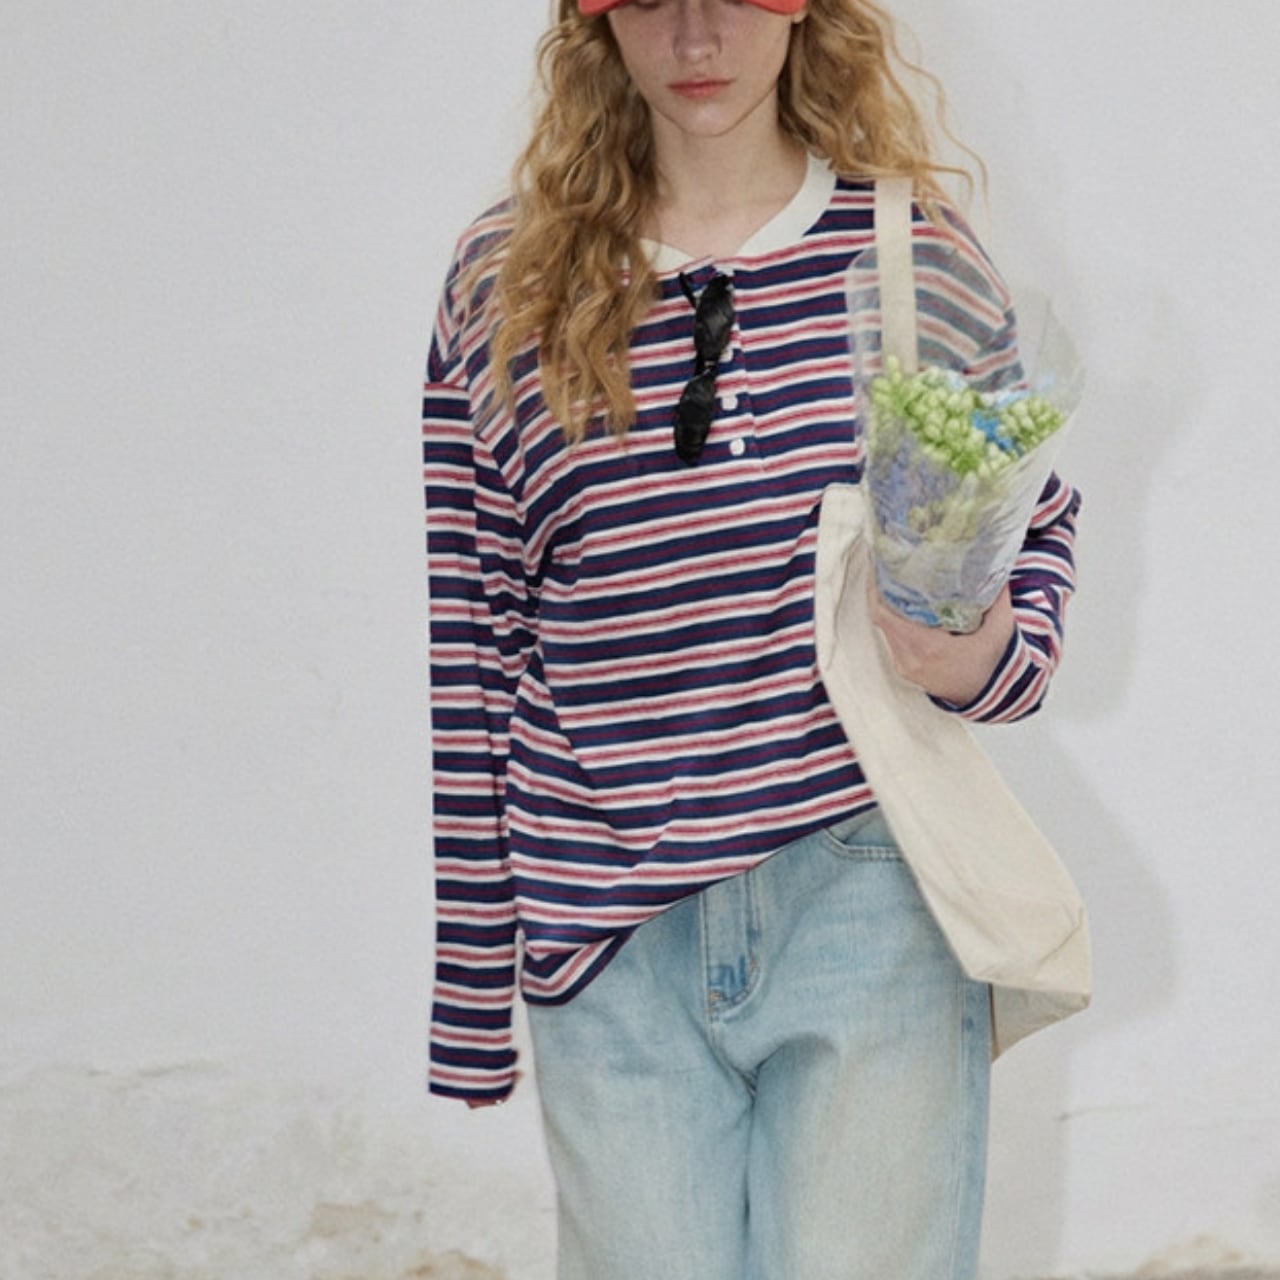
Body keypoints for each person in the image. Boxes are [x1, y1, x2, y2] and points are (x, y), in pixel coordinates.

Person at [422, 1, 1081, 1276]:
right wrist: (470, 989)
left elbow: (1032, 529)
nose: (695, 36)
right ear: (593, 20)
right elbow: (475, 635)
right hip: (608, 933)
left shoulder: (912, 257)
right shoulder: (506, 282)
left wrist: (977, 653)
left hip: (863, 895)